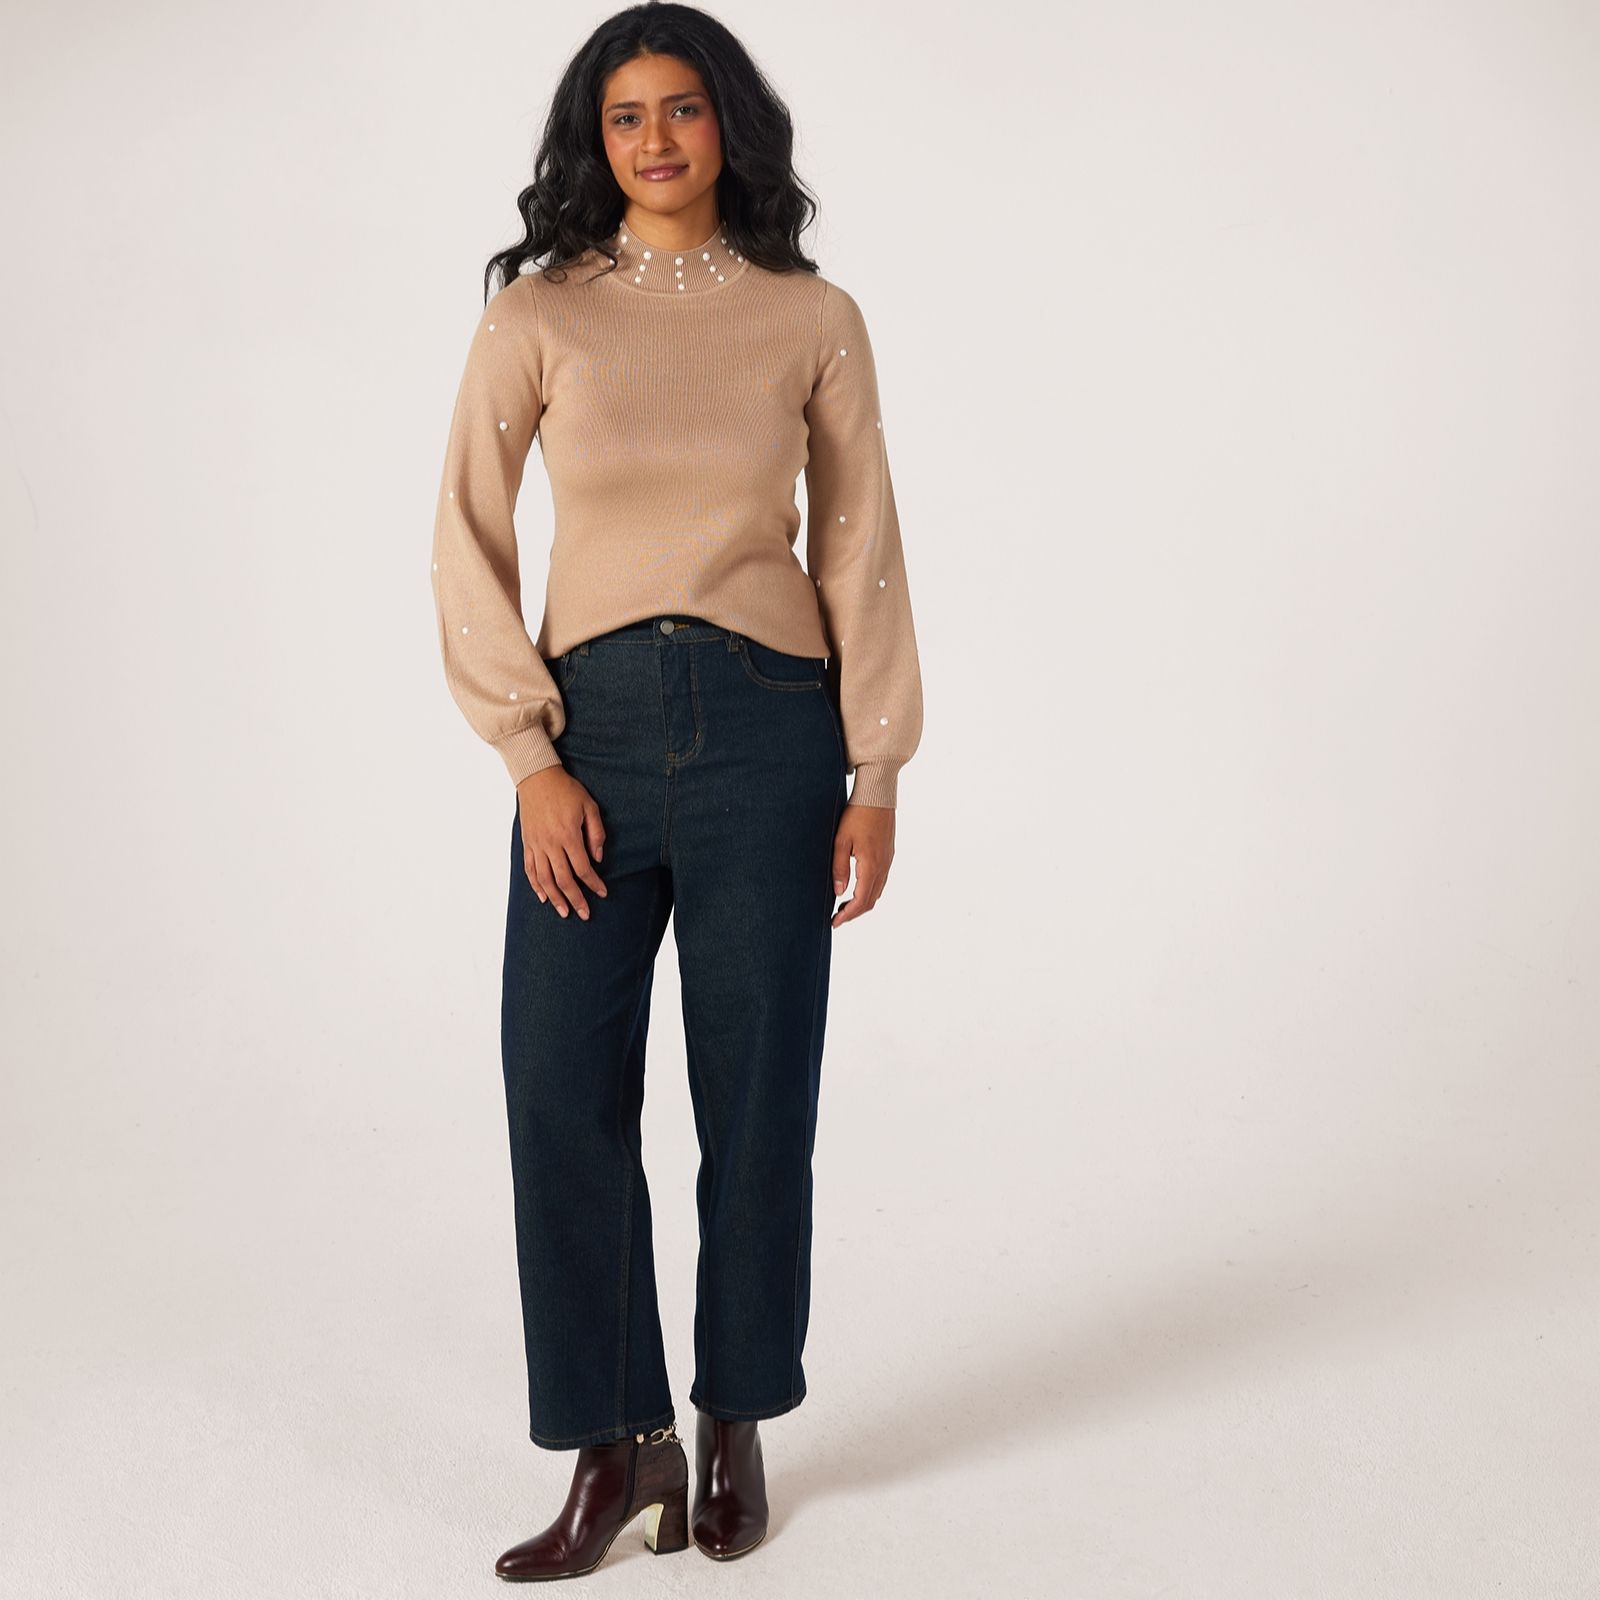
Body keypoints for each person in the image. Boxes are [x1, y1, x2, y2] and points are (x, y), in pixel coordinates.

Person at [429, 2, 924, 1580]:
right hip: (592, 734)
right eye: (627, 115)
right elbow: (466, 539)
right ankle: (614, 1441)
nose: (656, 139)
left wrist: (877, 766)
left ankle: (734, 1418)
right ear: (596, 139)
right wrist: (529, 757)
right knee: (557, 1088)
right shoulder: (538, 317)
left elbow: (859, 543)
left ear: (730, 127)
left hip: (772, 733)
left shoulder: (812, 316)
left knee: (757, 1098)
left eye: (684, 109)